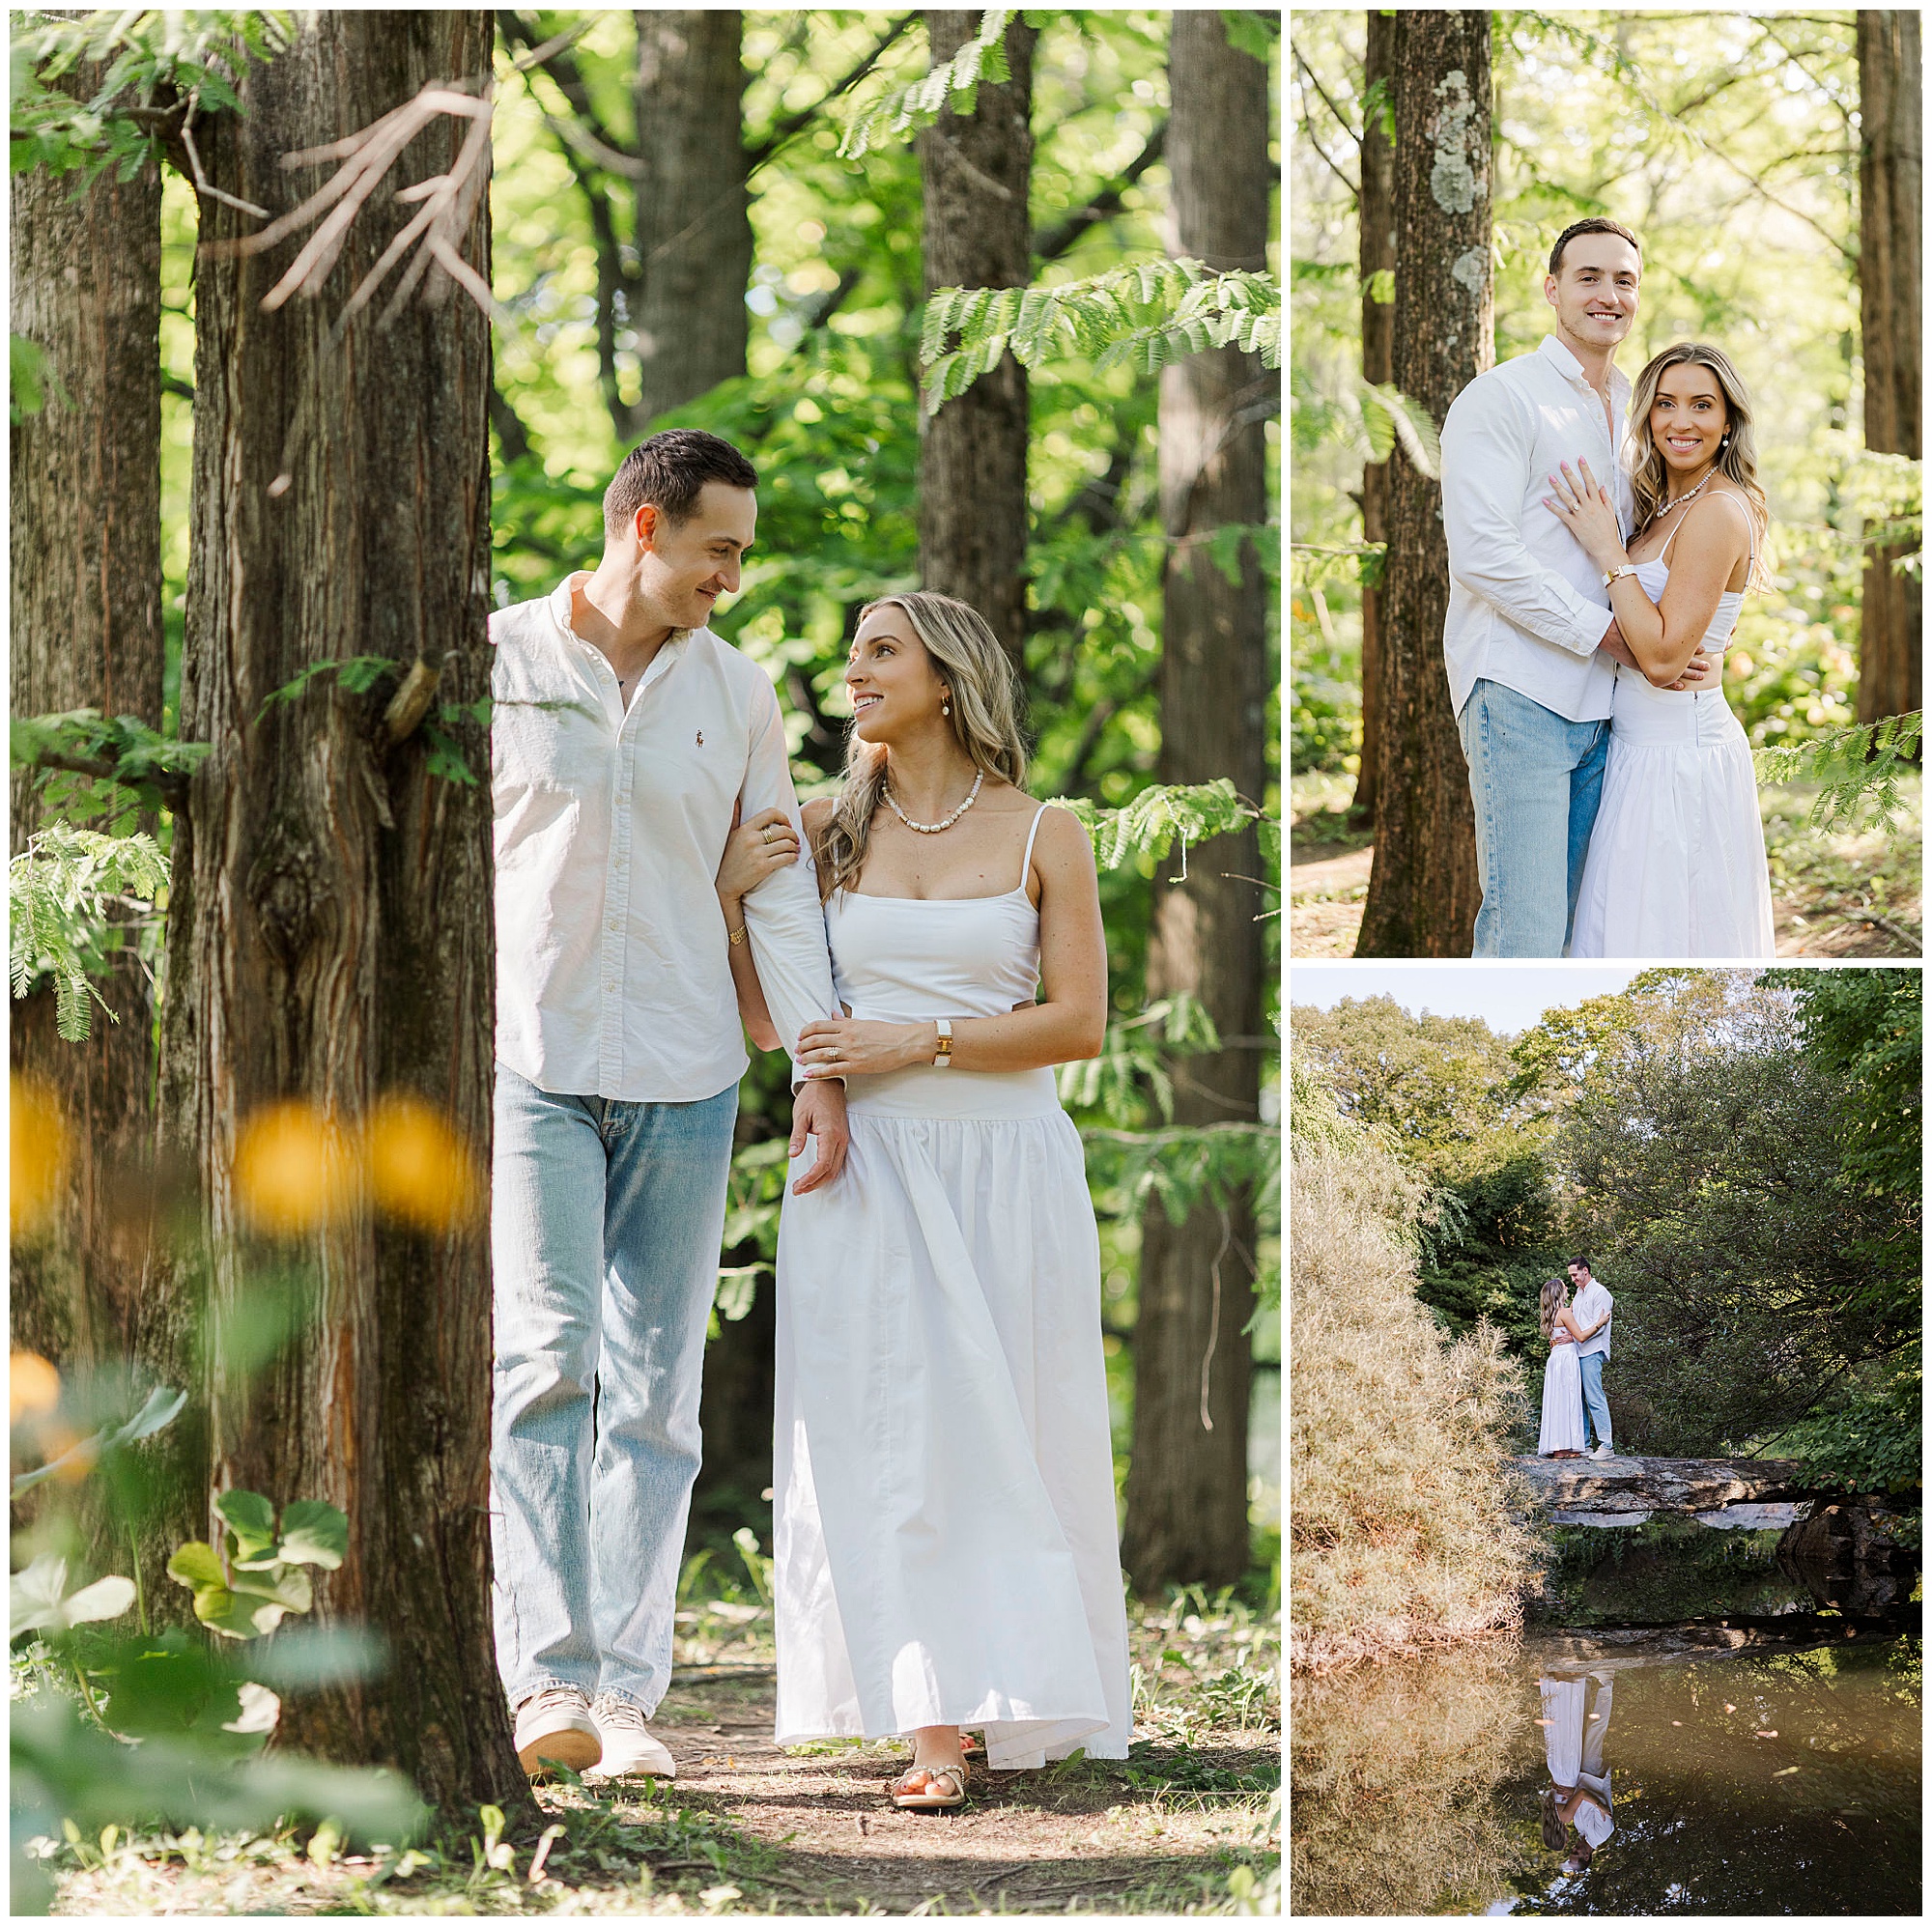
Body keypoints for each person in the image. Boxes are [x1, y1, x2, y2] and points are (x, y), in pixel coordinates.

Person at [715, 590, 1131, 1811]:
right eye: (848, 649)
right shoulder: (820, 826)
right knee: (891, 1435)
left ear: (947, 675)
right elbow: (769, 1020)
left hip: (1008, 1164)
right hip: (866, 1167)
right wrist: (732, 902)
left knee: (1010, 1433)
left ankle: (1029, 1684)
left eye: (878, 649)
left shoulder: (1044, 829)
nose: (852, 669)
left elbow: (1079, 1025)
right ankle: (929, 1721)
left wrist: (923, 1040)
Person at [488, 429, 850, 1781]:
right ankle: (547, 1684)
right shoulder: (504, 660)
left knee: (655, 1393)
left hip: (692, 1074)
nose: (733, 578)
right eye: (719, 550)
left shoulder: (738, 690)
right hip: (534, 1060)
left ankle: (629, 1696)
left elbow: (780, 890)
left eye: (740, 555)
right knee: (544, 1369)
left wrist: (815, 1064)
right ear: (642, 526)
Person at [1439, 216, 1715, 958]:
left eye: (1623, 280)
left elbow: (1652, 544)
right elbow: (1481, 553)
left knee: (1582, 935)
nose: (1608, 295)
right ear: (1552, 290)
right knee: (1525, 935)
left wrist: (1687, 633)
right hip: (1520, 691)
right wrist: (1609, 635)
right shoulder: (1502, 398)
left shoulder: (1635, 412)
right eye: (1589, 278)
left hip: (1612, 710)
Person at [1542, 341, 1777, 957]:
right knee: (1612, 932)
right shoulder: (1659, 508)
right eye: (1667, 404)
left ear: (1728, 422)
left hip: (1680, 761)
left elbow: (1666, 659)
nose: (1682, 421)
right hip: (1634, 751)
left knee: (1668, 939)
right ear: (1646, 413)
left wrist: (1606, 552)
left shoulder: (1718, 510)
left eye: (1703, 405)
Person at [1537, 1670, 1616, 1875]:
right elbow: (1591, 1798)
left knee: (1579, 1726)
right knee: (1596, 1729)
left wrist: (1562, 1789)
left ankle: (1585, 1682)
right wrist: (1595, 1803)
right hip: (1592, 1774)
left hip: (1578, 1773)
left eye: (1571, 1850)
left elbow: (1576, 1798)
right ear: (1587, 1856)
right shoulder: (1602, 1833)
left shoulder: (1581, 1829)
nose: (1575, 1848)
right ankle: (1607, 1682)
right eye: (1576, 1852)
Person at [1566, 1258, 1615, 1461]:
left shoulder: (1600, 1293)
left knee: (1595, 1397)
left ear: (1585, 1270)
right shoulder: (1578, 1294)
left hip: (1592, 1351)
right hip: (1577, 1351)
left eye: (1575, 1274)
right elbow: (1575, 1322)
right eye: (1570, 1275)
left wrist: (1578, 1336)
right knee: (1579, 1400)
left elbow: (1600, 1325)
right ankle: (1584, 1444)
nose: (1573, 1279)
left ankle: (1606, 1446)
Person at [1536, 1277, 1589, 1459]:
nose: (1568, 1287)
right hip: (1566, 1358)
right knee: (1567, 1398)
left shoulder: (1552, 1314)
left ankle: (1559, 1446)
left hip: (1556, 1358)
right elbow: (1581, 1336)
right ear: (1559, 1292)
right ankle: (1562, 1449)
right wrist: (1600, 1322)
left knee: (1557, 1400)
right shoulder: (1565, 1313)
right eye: (1565, 1286)